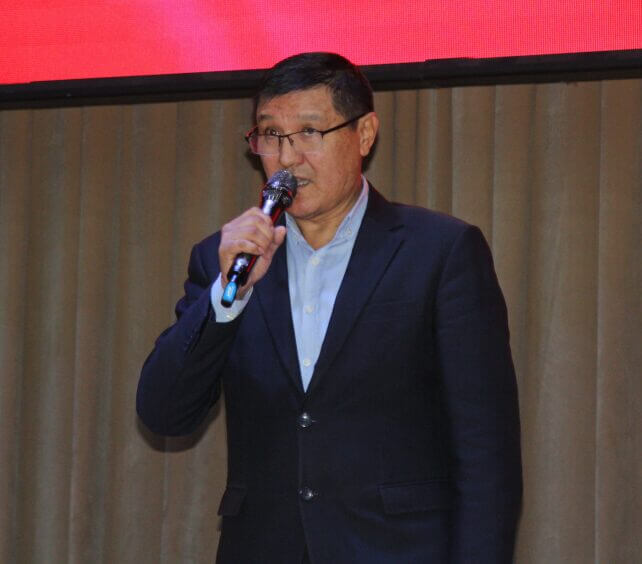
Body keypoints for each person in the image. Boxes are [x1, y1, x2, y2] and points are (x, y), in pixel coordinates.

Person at [137, 52, 522, 563]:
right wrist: (226, 300)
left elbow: (486, 453)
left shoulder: (440, 252)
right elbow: (164, 412)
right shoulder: (225, 259)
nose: (287, 157)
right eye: (271, 135)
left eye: (309, 132)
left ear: (364, 134)